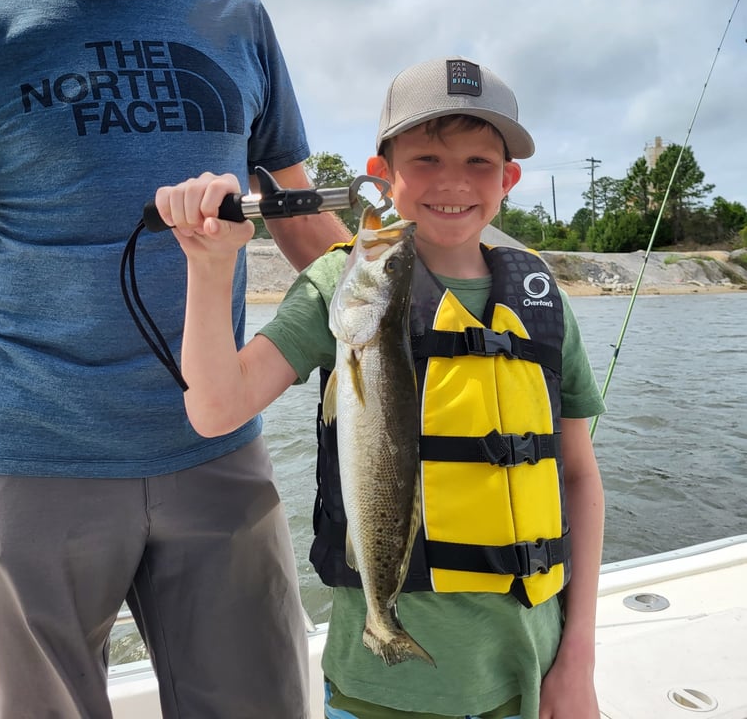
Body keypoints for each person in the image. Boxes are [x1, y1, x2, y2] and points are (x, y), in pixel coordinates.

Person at [0, 0, 349, 716]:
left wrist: (415, 309)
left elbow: (303, 223)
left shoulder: (238, 23)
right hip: (32, 466)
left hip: (217, 445)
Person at [156, 57, 607, 719]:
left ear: (509, 178)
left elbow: (579, 479)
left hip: (531, 675)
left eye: (479, 163)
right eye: (425, 158)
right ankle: (382, 618)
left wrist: (579, 659)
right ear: (381, 176)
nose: (453, 182)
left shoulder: (539, 297)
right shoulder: (345, 282)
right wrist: (210, 263)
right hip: (380, 694)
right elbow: (216, 409)